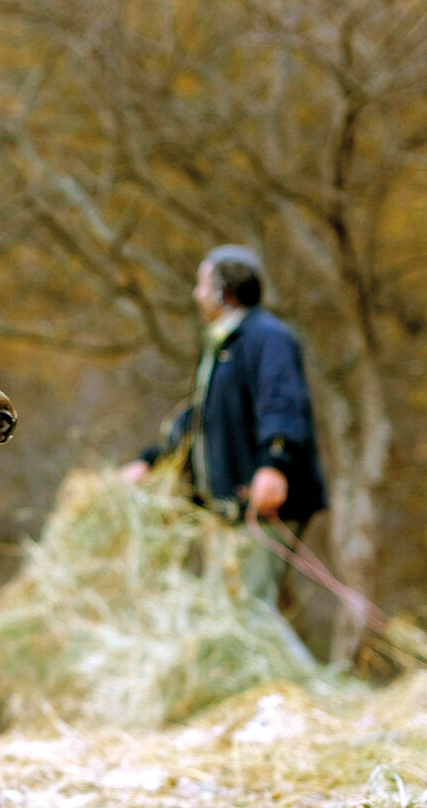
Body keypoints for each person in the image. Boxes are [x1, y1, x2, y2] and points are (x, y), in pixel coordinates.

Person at [120, 244, 326, 601]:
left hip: (261, 506)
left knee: (248, 609)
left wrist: (274, 466)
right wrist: (151, 462)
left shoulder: (268, 338)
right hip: (233, 509)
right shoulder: (225, 345)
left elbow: (282, 404)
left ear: (222, 292)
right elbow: (201, 423)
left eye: (201, 285)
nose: (195, 295)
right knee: (232, 607)